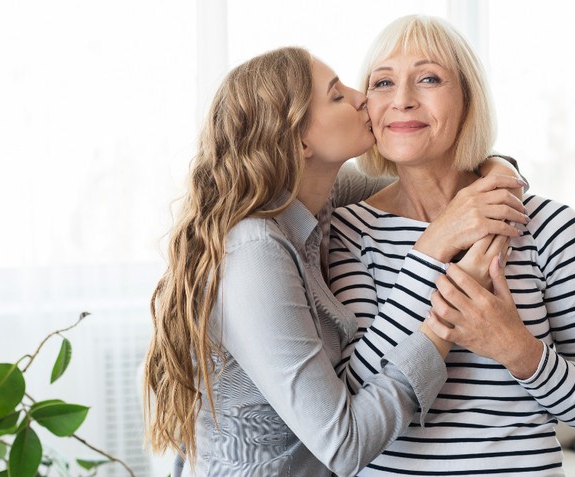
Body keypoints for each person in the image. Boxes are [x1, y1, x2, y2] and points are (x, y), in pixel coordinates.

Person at [141, 47, 528, 477]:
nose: (362, 97)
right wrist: (444, 316)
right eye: (337, 95)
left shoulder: (319, 196)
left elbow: (431, 183)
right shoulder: (255, 250)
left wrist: (499, 171)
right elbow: (343, 446)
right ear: (301, 141)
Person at [329, 15, 575, 476]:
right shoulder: (349, 230)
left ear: (469, 99)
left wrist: (516, 348)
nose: (402, 99)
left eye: (429, 78)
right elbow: (352, 398)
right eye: (383, 82)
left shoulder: (550, 227)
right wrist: (433, 247)